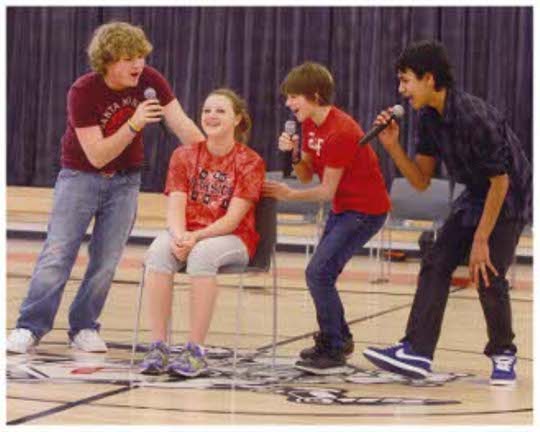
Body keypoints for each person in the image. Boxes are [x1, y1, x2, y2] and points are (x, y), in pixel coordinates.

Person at [6, 21, 204, 354]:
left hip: (126, 181)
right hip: (79, 177)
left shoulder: (151, 81)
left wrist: (217, 154)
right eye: (129, 58)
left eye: (141, 56)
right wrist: (134, 123)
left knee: (107, 260)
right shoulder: (83, 91)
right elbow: (97, 156)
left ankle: (84, 326)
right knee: (57, 255)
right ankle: (29, 326)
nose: (138, 65)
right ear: (107, 61)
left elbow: (182, 125)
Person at [362, 40, 532, 386]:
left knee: (487, 272)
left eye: (405, 80)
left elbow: (500, 183)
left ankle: (503, 353)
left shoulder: (474, 116)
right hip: (475, 193)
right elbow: (421, 180)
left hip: (509, 193)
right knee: (436, 261)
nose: (401, 90)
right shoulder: (428, 118)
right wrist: (392, 147)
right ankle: (417, 352)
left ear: (428, 78)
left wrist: (481, 239)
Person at [263, 62, 391, 375]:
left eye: (295, 97)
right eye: (288, 97)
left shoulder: (341, 131)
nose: (288, 104)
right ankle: (338, 338)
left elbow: (324, 191)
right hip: (344, 208)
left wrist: (288, 195)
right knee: (321, 274)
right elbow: (306, 175)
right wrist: (293, 153)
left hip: (365, 210)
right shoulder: (310, 125)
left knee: (317, 273)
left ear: (315, 95)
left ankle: (334, 344)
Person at [139, 88, 265, 378]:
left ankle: (195, 350)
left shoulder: (250, 161)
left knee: (202, 256)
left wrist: (194, 239)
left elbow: (233, 220)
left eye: (220, 111)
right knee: (159, 251)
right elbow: (175, 206)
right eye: (207, 110)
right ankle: (158, 346)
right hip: (189, 231)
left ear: (237, 119)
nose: (211, 116)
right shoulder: (183, 155)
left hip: (233, 237)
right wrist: (180, 235)